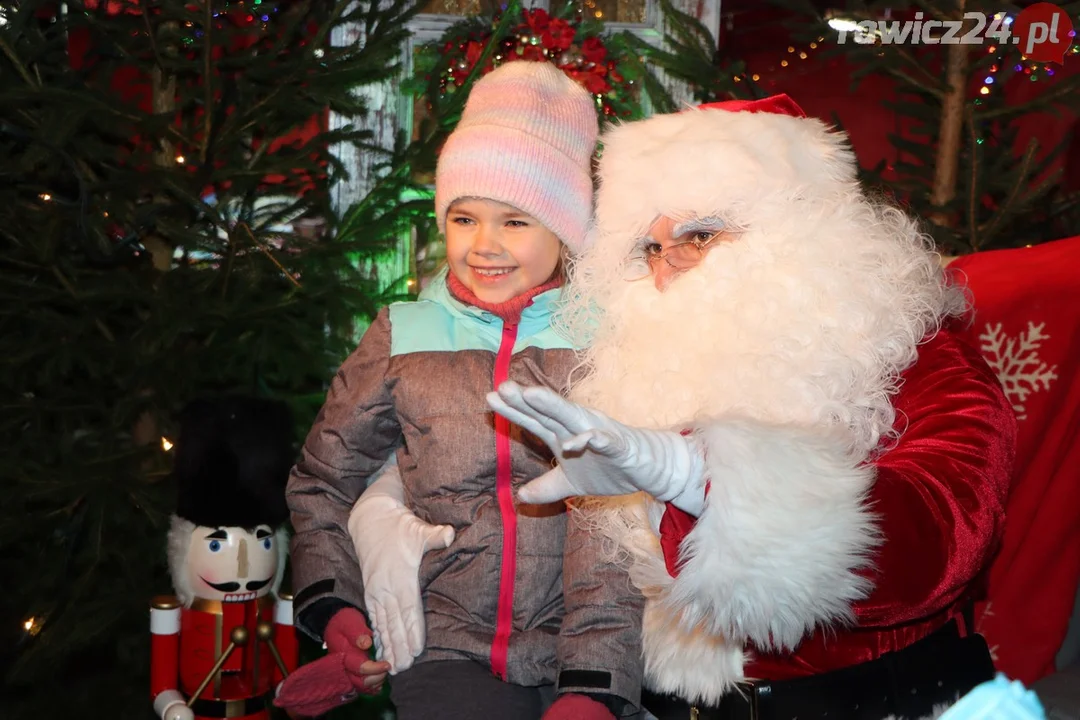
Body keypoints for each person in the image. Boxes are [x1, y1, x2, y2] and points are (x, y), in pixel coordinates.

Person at [356, 95, 1018, 720]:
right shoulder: (625, 360)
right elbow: (517, 492)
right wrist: (389, 491)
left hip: (871, 701)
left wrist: (707, 476)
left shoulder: (911, 349)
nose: (666, 268)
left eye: (697, 237)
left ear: (800, 232)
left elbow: (942, 536)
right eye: (648, 246)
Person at [278, 61, 644, 720]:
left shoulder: (606, 338)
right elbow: (322, 480)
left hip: (583, 646)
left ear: (563, 231)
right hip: (446, 650)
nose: (484, 245)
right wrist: (337, 606)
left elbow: (619, 517)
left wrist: (596, 685)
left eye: (515, 221)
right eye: (464, 218)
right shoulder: (406, 331)